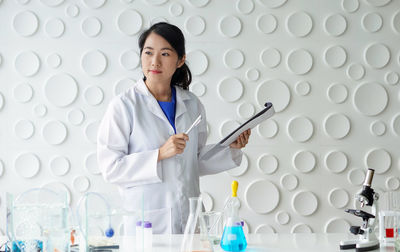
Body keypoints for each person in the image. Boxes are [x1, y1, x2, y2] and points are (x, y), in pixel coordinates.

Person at [97, 22, 251, 234]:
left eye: (165, 54)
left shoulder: (192, 103)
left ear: (180, 60)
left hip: (189, 217)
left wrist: (230, 148)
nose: (155, 61)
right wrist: (159, 154)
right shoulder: (124, 105)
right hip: (147, 223)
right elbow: (111, 168)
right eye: (148, 53)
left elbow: (193, 160)